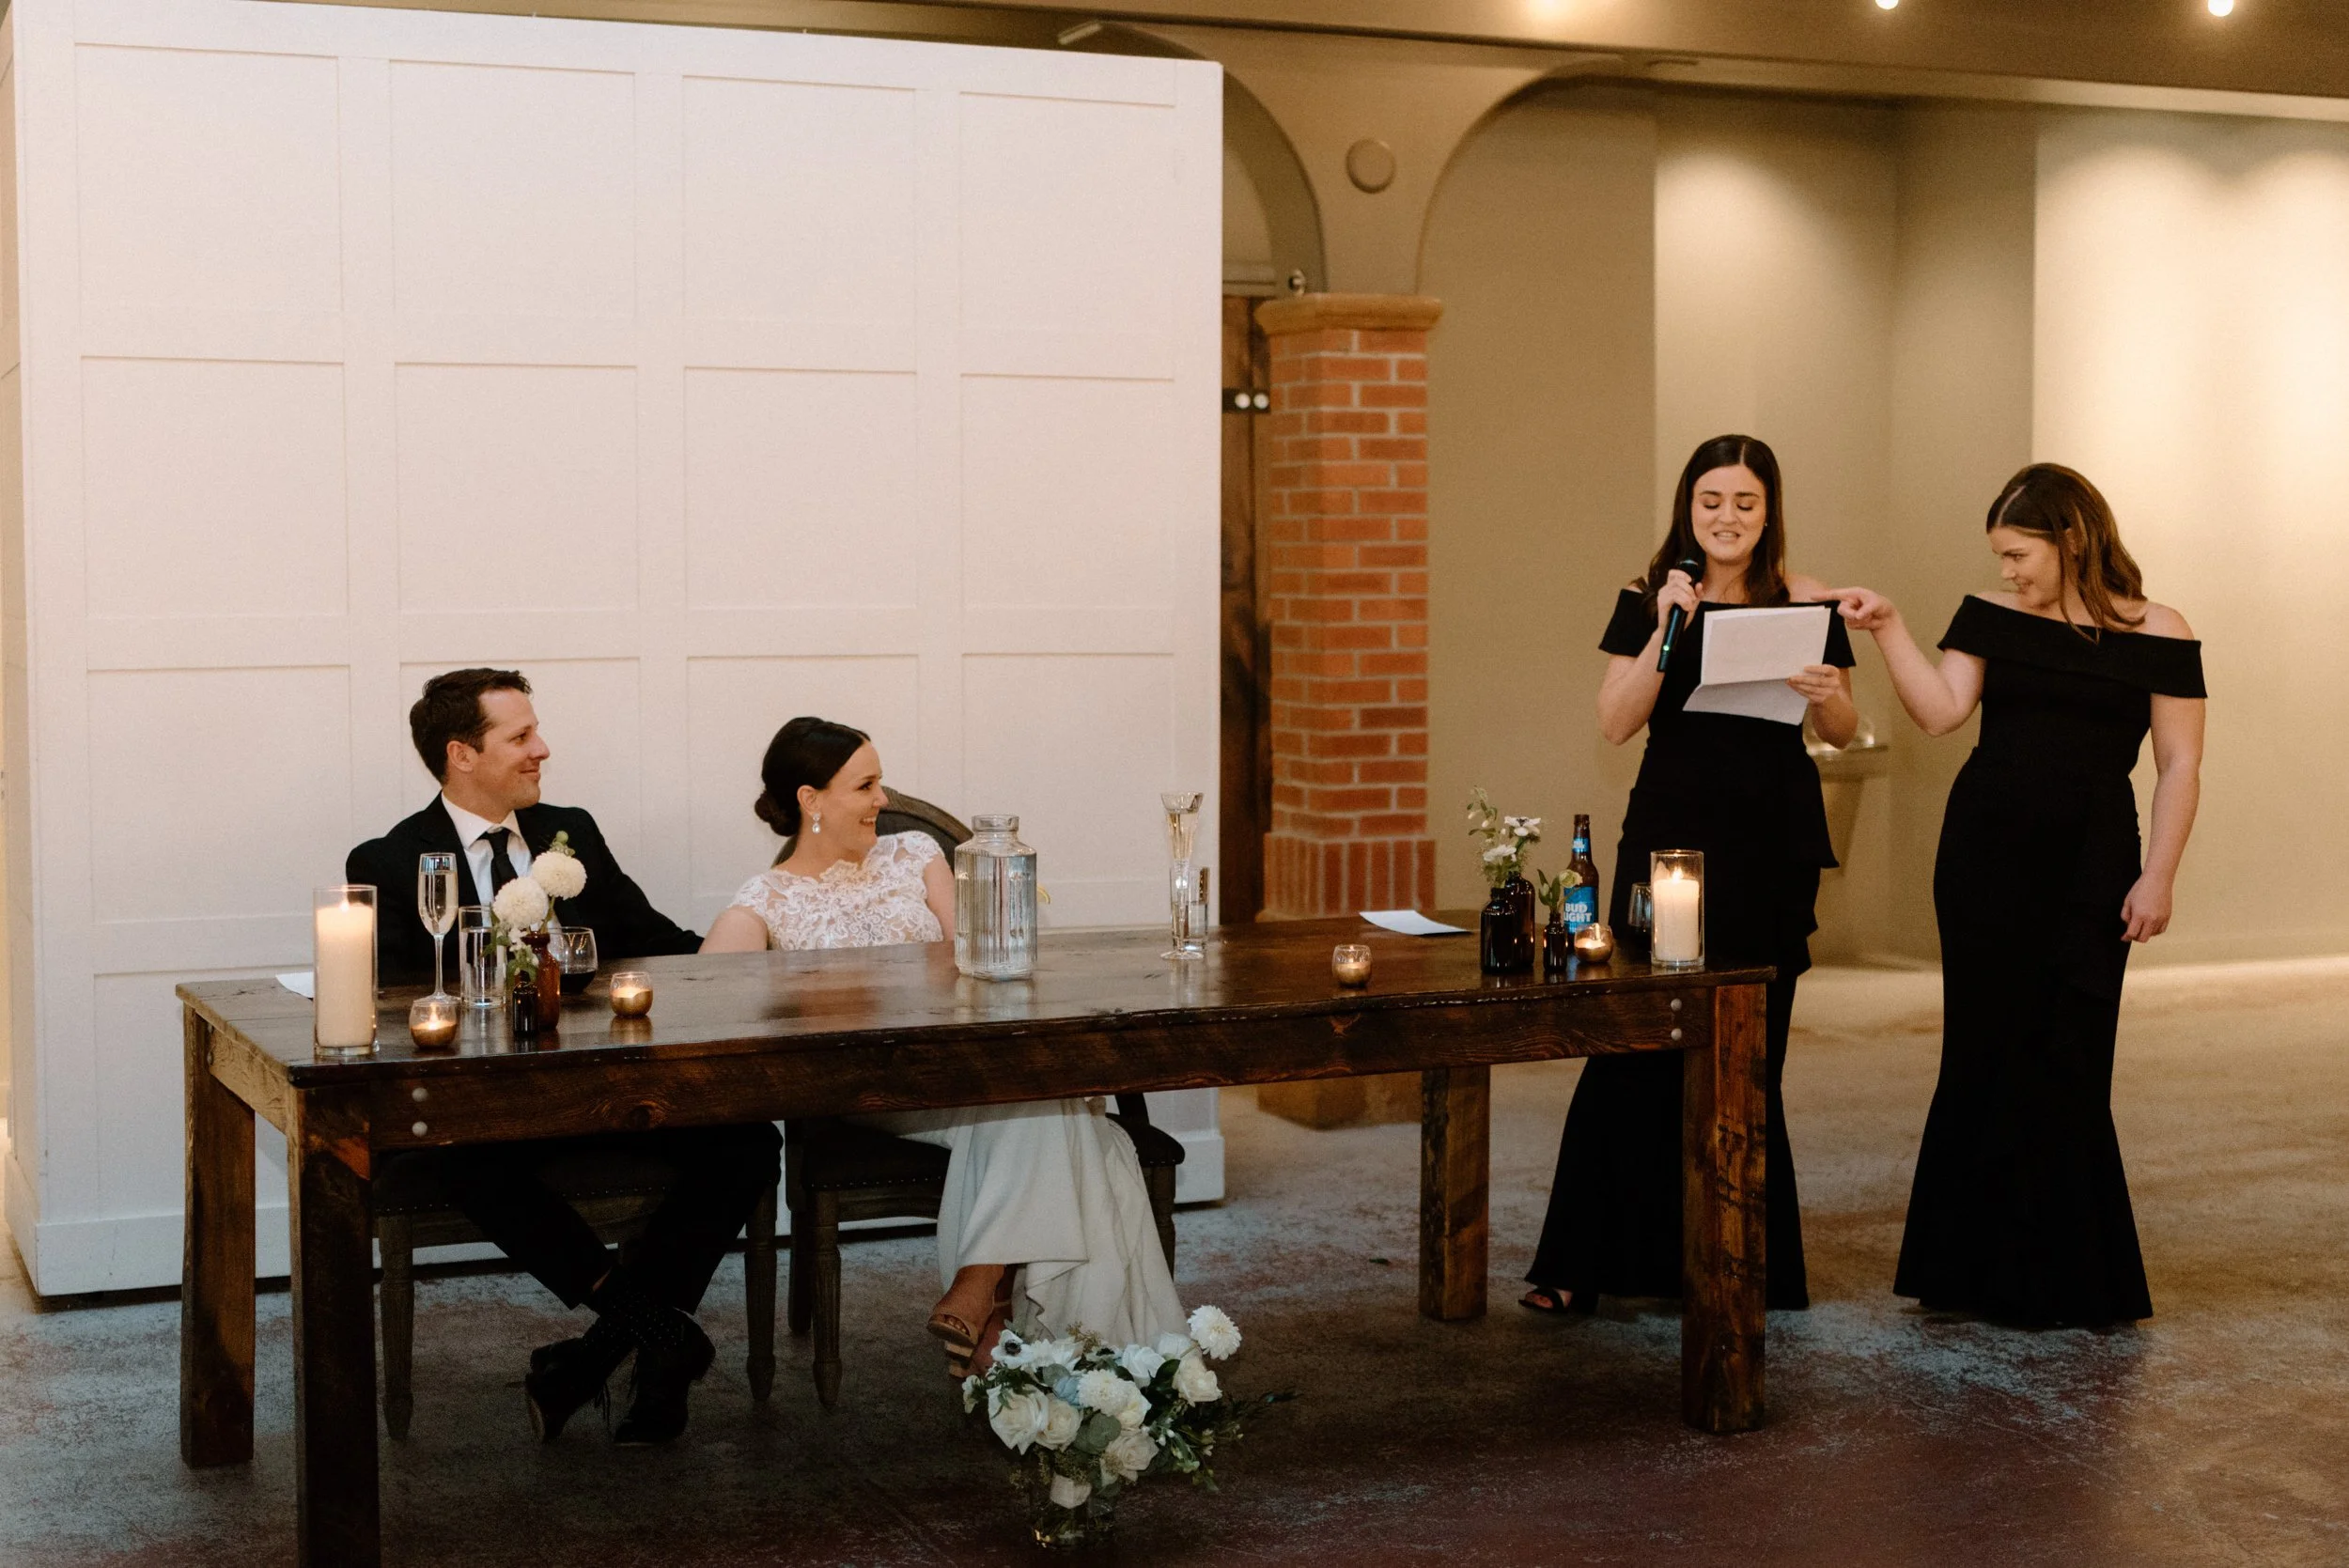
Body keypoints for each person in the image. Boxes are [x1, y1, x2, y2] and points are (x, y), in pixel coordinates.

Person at [347, 669, 781, 1445]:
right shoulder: (388, 859)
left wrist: (761, 953)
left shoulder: (567, 829)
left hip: (597, 1091)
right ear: (461, 753)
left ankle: (594, 1359)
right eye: (520, 736)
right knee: (464, 1156)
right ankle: (656, 1332)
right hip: (486, 1112)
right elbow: (394, 1006)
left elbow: (652, 938)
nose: (542, 749)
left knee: (748, 1140)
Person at [1834, 464, 2204, 1327]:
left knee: (2073, 1053)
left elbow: (2181, 763)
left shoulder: (2162, 628)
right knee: (1982, 1051)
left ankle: (2069, 1277)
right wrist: (1889, 627)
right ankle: (1968, 1272)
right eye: (1999, 556)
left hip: (2095, 862)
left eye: (2018, 554)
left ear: (2070, 539)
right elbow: (1939, 712)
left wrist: (2160, 874)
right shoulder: (1989, 615)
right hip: (1984, 858)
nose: (2006, 570)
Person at [702, 717, 1186, 1373]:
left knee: (1045, 1105)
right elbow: (706, 1003)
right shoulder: (766, 899)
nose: (883, 799)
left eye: (880, 782)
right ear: (810, 799)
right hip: (871, 1094)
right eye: (865, 786)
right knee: (1066, 1112)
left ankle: (984, 1298)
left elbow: (986, 960)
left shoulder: (916, 855)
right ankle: (1009, 1304)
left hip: (965, 1071)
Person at [1522, 434, 1856, 1317]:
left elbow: (1843, 728)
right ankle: (1586, 1260)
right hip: (1671, 834)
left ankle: (1745, 1260)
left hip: (1771, 839)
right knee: (1635, 1038)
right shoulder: (1649, 597)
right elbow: (1614, 722)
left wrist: (1828, 693)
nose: (1727, 517)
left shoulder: (1805, 599)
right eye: (1712, 500)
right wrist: (1667, 631)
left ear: (1769, 512)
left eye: (1746, 502)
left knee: (1751, 1048)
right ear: (1688, 506)